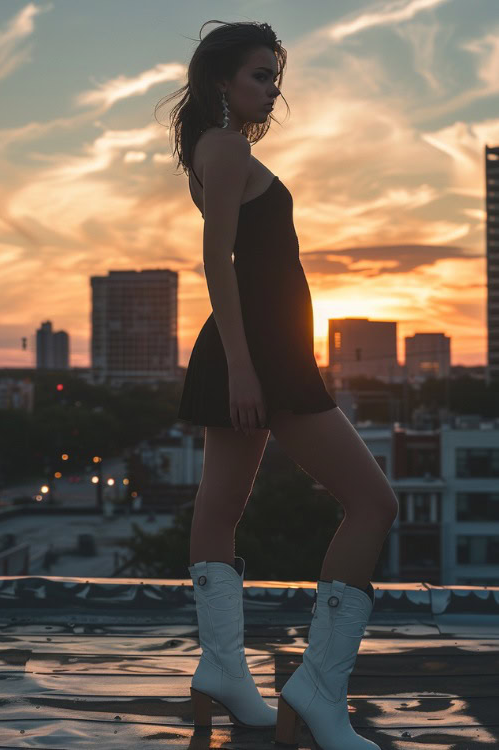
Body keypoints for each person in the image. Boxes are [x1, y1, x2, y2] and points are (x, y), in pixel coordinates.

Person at [158, 20, 397, 750]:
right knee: (373, 503)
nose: (273, 87)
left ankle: (224, 671)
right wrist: (242, 365)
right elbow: (218, 261)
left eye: (276, 75)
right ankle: (319, 691)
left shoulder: (221, 148)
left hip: (258, 347)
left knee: (221, 506)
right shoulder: (226, 148)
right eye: (261, 74)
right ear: (221, 81)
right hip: (258, 351)